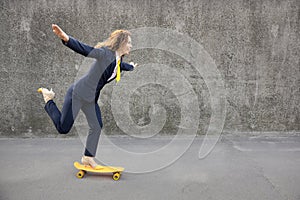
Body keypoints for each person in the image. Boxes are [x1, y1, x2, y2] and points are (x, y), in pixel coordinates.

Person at [38, 24, 137, 169]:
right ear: (121, 43)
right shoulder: (104, 54)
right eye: (128, 42)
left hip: (90, 99)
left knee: (96, 126)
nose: (131, 45)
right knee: (63, 128)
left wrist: (132, 67)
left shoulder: (118, 60)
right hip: (77, 94)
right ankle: (48, 99)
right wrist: (66, 39)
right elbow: (86, 50)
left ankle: (87, 158)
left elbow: (121, 66)